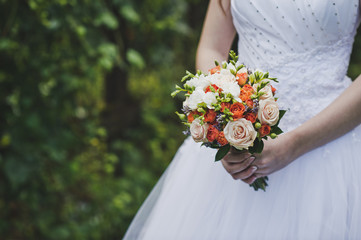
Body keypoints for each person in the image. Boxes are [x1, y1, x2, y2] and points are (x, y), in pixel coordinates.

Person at [124, 0, 361, 239]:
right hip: (238, 151)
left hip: (331, 148)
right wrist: (223, 127)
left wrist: (294, 144)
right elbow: (212, 49)